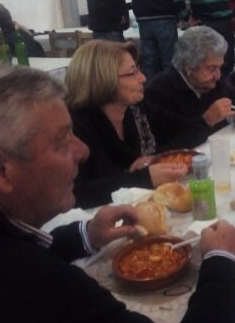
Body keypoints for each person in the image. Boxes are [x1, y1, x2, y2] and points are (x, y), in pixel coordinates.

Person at [0, 66, 235, 323]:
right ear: (1, 171)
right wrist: (221, 262)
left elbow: (29, 243)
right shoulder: (33, 282)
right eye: (61, 141)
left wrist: (87, 235)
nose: (82, 152)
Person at [65, 40, 208, 208]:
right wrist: (144, 177)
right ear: (104, 80)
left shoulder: (136, 109)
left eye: (138, 69)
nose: (143, 78)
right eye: (132, 73)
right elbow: (75, 193)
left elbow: (196, 128)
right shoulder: (76, 126)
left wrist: (155, 159)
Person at [145, 26, 235, 134]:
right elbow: (170, 142)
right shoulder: (158, 93)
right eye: (211, 68)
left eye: (219, 67)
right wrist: (207, 120)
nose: (218, 75)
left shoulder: (212, 81)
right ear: (189, 66)